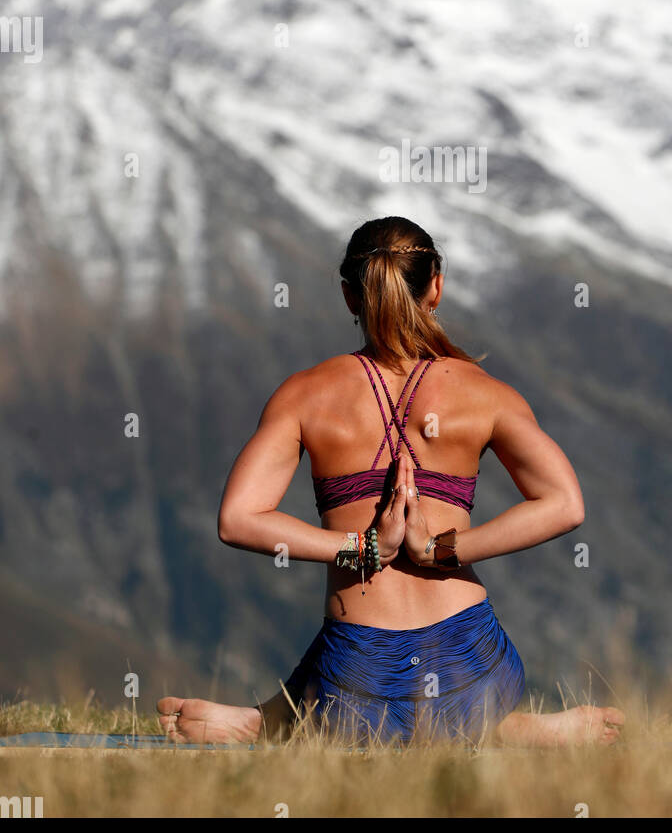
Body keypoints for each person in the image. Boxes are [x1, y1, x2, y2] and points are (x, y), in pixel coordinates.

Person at [158, 216, 624, 747]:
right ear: (436, 285)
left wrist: (360, 549)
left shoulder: (305, 395)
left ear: (349, 297)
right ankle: (503, 730)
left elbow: (237, 520)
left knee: (341, 700)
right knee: (448, 712)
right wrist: (443, 550)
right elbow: (565, 504)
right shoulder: (487, 394)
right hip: (472, 671)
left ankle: (273, 721)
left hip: (354, 681)